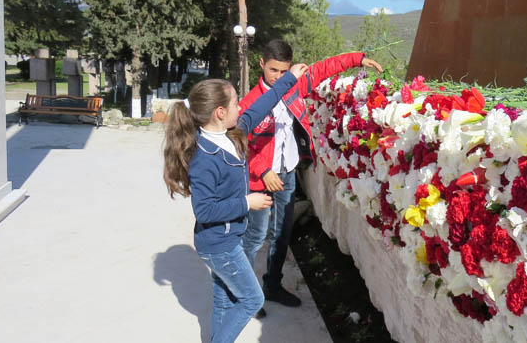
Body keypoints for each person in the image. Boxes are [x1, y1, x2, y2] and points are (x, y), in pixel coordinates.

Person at [162, 64, 308, 343]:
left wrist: (289, 78)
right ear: (220, 112)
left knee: (224, 299)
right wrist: (247, 202)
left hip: (227, 240)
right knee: (252, 300)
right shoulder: (205, 158)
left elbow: (264, 103)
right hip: (220, 246)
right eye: (235, 103)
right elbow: (204, 211)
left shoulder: (233, 133)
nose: (241, 107)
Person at [239, 40, 383, 308]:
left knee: (282, 233)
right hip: (260, 178)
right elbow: (241, 145)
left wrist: (358, 59)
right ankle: (244, 296)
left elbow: (322, 69)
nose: (279, 77)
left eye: (284, 71)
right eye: (273, 71)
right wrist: (263, 170)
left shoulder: (294, 86)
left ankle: (272, 285)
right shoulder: (250, 102)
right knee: (255, 236)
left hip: (287, 172)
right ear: (261, 64)